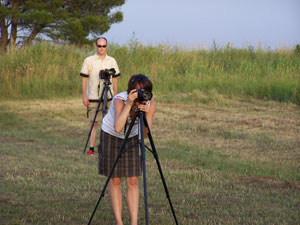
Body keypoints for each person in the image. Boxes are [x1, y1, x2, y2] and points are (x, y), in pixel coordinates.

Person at [98, 74, 155, 225]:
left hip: (132, 137)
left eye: (145, 91)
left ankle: (134, 223)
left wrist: (146, 113)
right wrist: (129, 105)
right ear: (130, 91)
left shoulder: (150, 103)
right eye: (138, 91)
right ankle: (119, 222)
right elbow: (117, 127)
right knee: (115, 180)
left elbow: (145, 134)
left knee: (133, 179)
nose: (141, 94)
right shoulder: (120, 99)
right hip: (111, 135)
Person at [80, 37, 120, 155]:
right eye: (99, 46)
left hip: (108, 96)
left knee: (110, 122)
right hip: (93, 96)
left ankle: (109, 147)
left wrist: (115, 95)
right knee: (94, 122)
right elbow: (84, 79)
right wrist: (84, 96)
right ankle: (91, 148)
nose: (101, 48)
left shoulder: (112, 61)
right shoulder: (89, 60)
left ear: (106, 46)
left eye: (103, 46)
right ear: (96, 46)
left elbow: (116, 78)